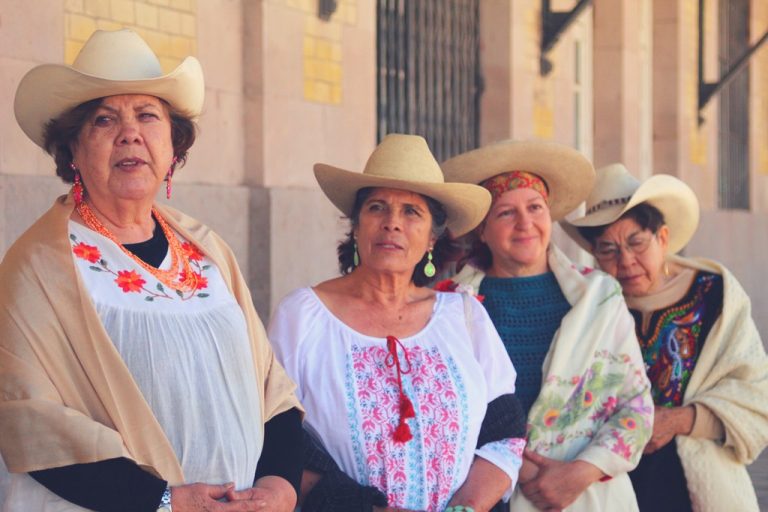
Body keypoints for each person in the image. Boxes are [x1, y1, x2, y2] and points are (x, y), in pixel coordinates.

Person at [0, 29, 303, 512]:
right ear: (73, 151)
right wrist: (164, 501)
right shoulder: (39, 265)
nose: (130, 133)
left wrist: (280, 489)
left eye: (147, 116)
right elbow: (28, 421)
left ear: (173, 147)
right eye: (104, 119)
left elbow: (273, 394)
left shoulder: (208, 250)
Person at [267, 134, 528, 512]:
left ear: (432, 239)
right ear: (356, 226)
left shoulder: (465, 317)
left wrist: (464, 508)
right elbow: (279, 436)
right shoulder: (303, 316)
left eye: (411, 212)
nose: (392, 223)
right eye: (377, 207)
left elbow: (505, 431)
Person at [439, 141, 654, 511]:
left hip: (590, 498)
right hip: (487, 496)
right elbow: (444, 408)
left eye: (535, 208)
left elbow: (636, 407)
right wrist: (512, 466)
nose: (525, 224)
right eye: (506, 213)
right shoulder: (450, 305)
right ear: (482, 231)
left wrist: (581, 473)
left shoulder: (599, 298)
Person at [564, 163, 768, 512]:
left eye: (636, 242)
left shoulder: (714, 296)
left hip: (698, 486)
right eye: (608, 249)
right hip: (610, 486)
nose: (625, 260)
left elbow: (754, 391)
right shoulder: (588, 308)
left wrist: (676, 420)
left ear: (662, 238)